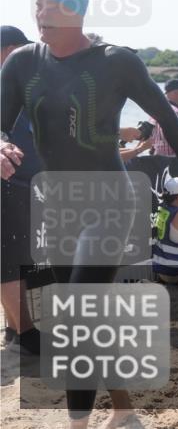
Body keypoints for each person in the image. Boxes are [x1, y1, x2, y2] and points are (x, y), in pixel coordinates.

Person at [0, 0, 178, 429]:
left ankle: (79, 423)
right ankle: (122, 409)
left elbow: (164, 119)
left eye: (53, 10)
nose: (42, 19)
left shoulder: (116, 61)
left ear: (77, 10)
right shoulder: (20, 64)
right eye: (38, 9)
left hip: (109, 198)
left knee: (77, 306)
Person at [0, 25, 41, 355]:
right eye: (20, 49)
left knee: (18, 260)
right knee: (10, 261)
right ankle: (24, 332)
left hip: (24, 183)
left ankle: (16, 329)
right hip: (7, 182)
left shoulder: (22, 86)